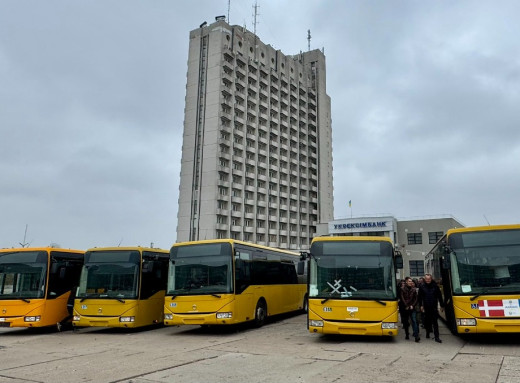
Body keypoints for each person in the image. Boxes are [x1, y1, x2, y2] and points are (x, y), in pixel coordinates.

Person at [418, 273, 444, 343]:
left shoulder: (435, 286)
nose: (428, 280)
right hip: (426, 307)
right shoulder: (422, 286)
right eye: (426, 279)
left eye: (429, 279)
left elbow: (439, 296)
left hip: (434, 306)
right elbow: (420, 297)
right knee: (427, 321)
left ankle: (437, 337)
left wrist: (441, 305)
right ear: (424, 279)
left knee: (435, 322)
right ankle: (427, 332)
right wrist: (421, 305)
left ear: (431, 279)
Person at [400, 277, 420, 342]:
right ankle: (407, 334)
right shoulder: (402, 289)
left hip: (412, 308)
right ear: (406, 282)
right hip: (405, 308)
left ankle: (416, 336)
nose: (410, 282)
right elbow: (402, 298)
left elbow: (416, 299)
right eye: (409, 281)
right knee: (406, 322)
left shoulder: (414, 290)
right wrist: (407, 305)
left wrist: (412, 305)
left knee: (414, 321)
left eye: (411, 281)